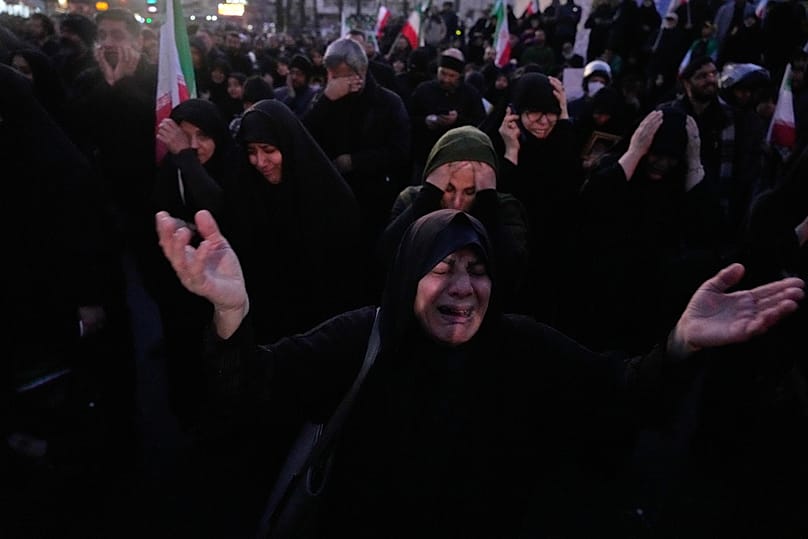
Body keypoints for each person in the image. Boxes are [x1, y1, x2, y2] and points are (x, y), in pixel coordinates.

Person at [155, 207, 803, 537]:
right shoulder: (363, 337)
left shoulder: (521, 347)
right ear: (408, 275)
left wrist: (682, 343)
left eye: (477, 269)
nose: (462, 288)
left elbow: (621, 391)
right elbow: (252, 389)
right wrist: (231, 311)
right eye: (442, 268)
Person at [382, 126, 529, 308]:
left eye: (470, 191)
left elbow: (512, 273)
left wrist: (488, 203)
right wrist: (429, 197)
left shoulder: (503, 207)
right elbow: (386, 259)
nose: (457, 203)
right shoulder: (413, 199)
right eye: (449, 188)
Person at [495, 72, 583, 326]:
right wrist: (511, 151)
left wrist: (564, 115)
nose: (544, 122)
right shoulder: (497, 144)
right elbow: (502, 200)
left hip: (553, 260)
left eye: (551, 113)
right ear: (516, 113)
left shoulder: (560, 142)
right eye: (534, 113)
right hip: (515, 263)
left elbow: (571, 182)